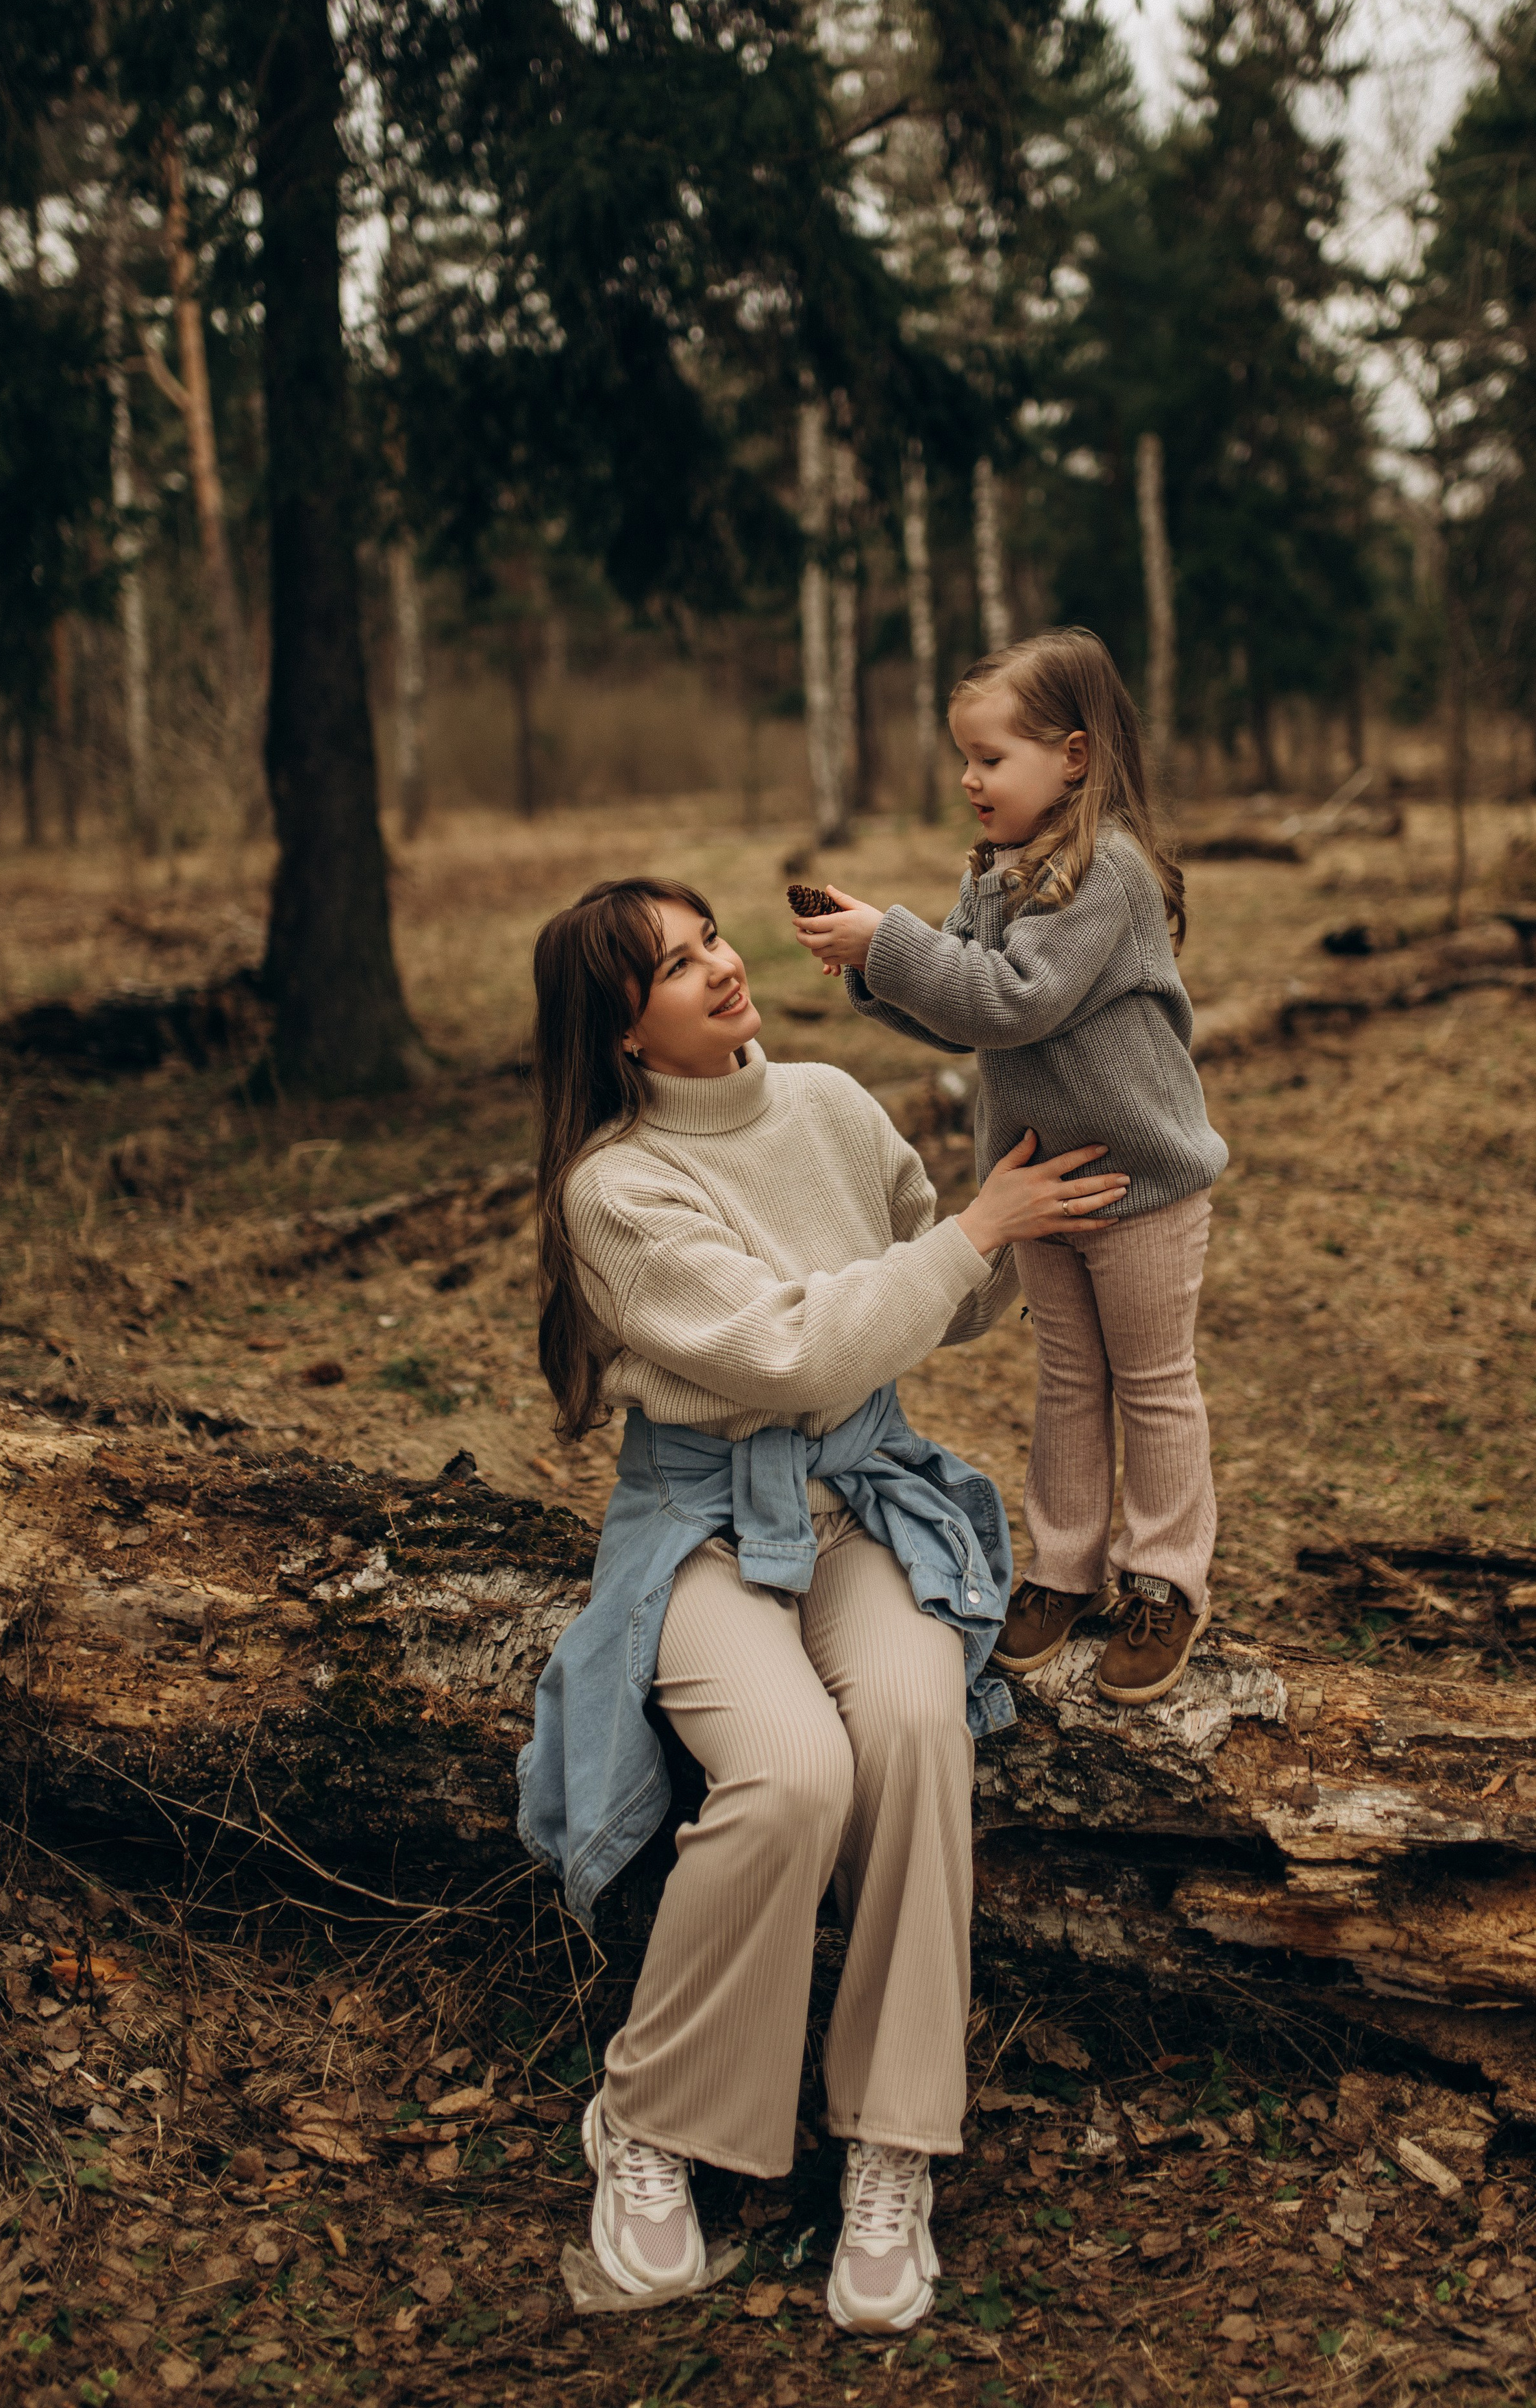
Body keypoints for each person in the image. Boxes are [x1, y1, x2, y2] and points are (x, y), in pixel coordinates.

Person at [515, 876, 1129, 2332]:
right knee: (791, 1770)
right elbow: (790, 1351)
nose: (720, 968)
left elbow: (943, 1279)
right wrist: (972, 1234)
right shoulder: (614, 1187)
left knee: (915, 1725)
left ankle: (890, 2147)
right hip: (704, 1528)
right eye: (673, 966)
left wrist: (1046, 1193)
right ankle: (649, 2117)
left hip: (867, 1495)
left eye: (711, 937)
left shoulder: (832, 1102)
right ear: (618, 1032)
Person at [793, 627, 1228, 1705]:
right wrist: (875, 965)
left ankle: (1166, 1579)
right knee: (1072, 1380)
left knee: (1154, 1384)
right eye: (965, 758)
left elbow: (1014, 997)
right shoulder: (993, 874)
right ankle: (1065, 1568)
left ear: (1072, 757)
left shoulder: (1107, 873)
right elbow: (967, 1022)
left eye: (991, 758)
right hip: (1041, 1184)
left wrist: (888, 944)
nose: (969, 779)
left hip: (1139, 1186)